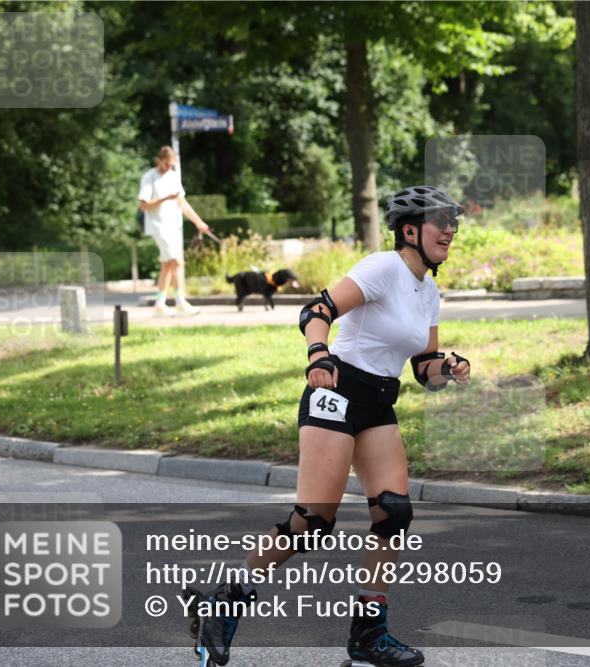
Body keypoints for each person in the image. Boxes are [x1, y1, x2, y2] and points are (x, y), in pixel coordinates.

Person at [188, 185, 471, 667]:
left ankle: (368, 635)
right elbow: (316, 311)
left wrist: (450, 367)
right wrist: (318, 354)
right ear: (409, 229)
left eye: (453, 221)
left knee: (394, 514)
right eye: (439, 220)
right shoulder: (383, 268)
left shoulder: (430, 292)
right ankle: (225, 601)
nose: (450, 229)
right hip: (336, 391)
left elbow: (424, 370)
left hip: (379, 399)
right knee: (313, 524)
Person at [138, 146, 210, 317]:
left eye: (171, 165)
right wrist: (165, 198)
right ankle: (180, 302)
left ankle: (160, 304)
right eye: (166, 164)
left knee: (167, 265)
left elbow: (182, 203)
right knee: (175, 262)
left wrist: (199, 222)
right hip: (159, 226)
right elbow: (143, 205)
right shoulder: (149, 177)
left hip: (173, 226)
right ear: (160, 160)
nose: (168, 167)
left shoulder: (173, 176)